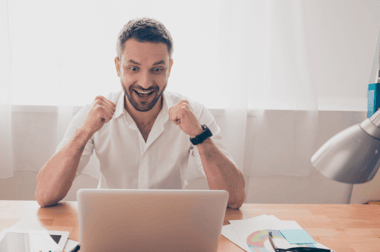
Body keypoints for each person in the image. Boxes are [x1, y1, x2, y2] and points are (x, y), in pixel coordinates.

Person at [36, 18, 245, 209]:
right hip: (109, 225)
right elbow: (44, 195)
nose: (145, 83)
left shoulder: (195, 114)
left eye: (157, 69)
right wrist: (84, 133)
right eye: (134, 68)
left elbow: (235, 198)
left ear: (169, 68)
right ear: (118, 67)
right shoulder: (92, 114)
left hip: (171, 226)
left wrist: (200, 137)